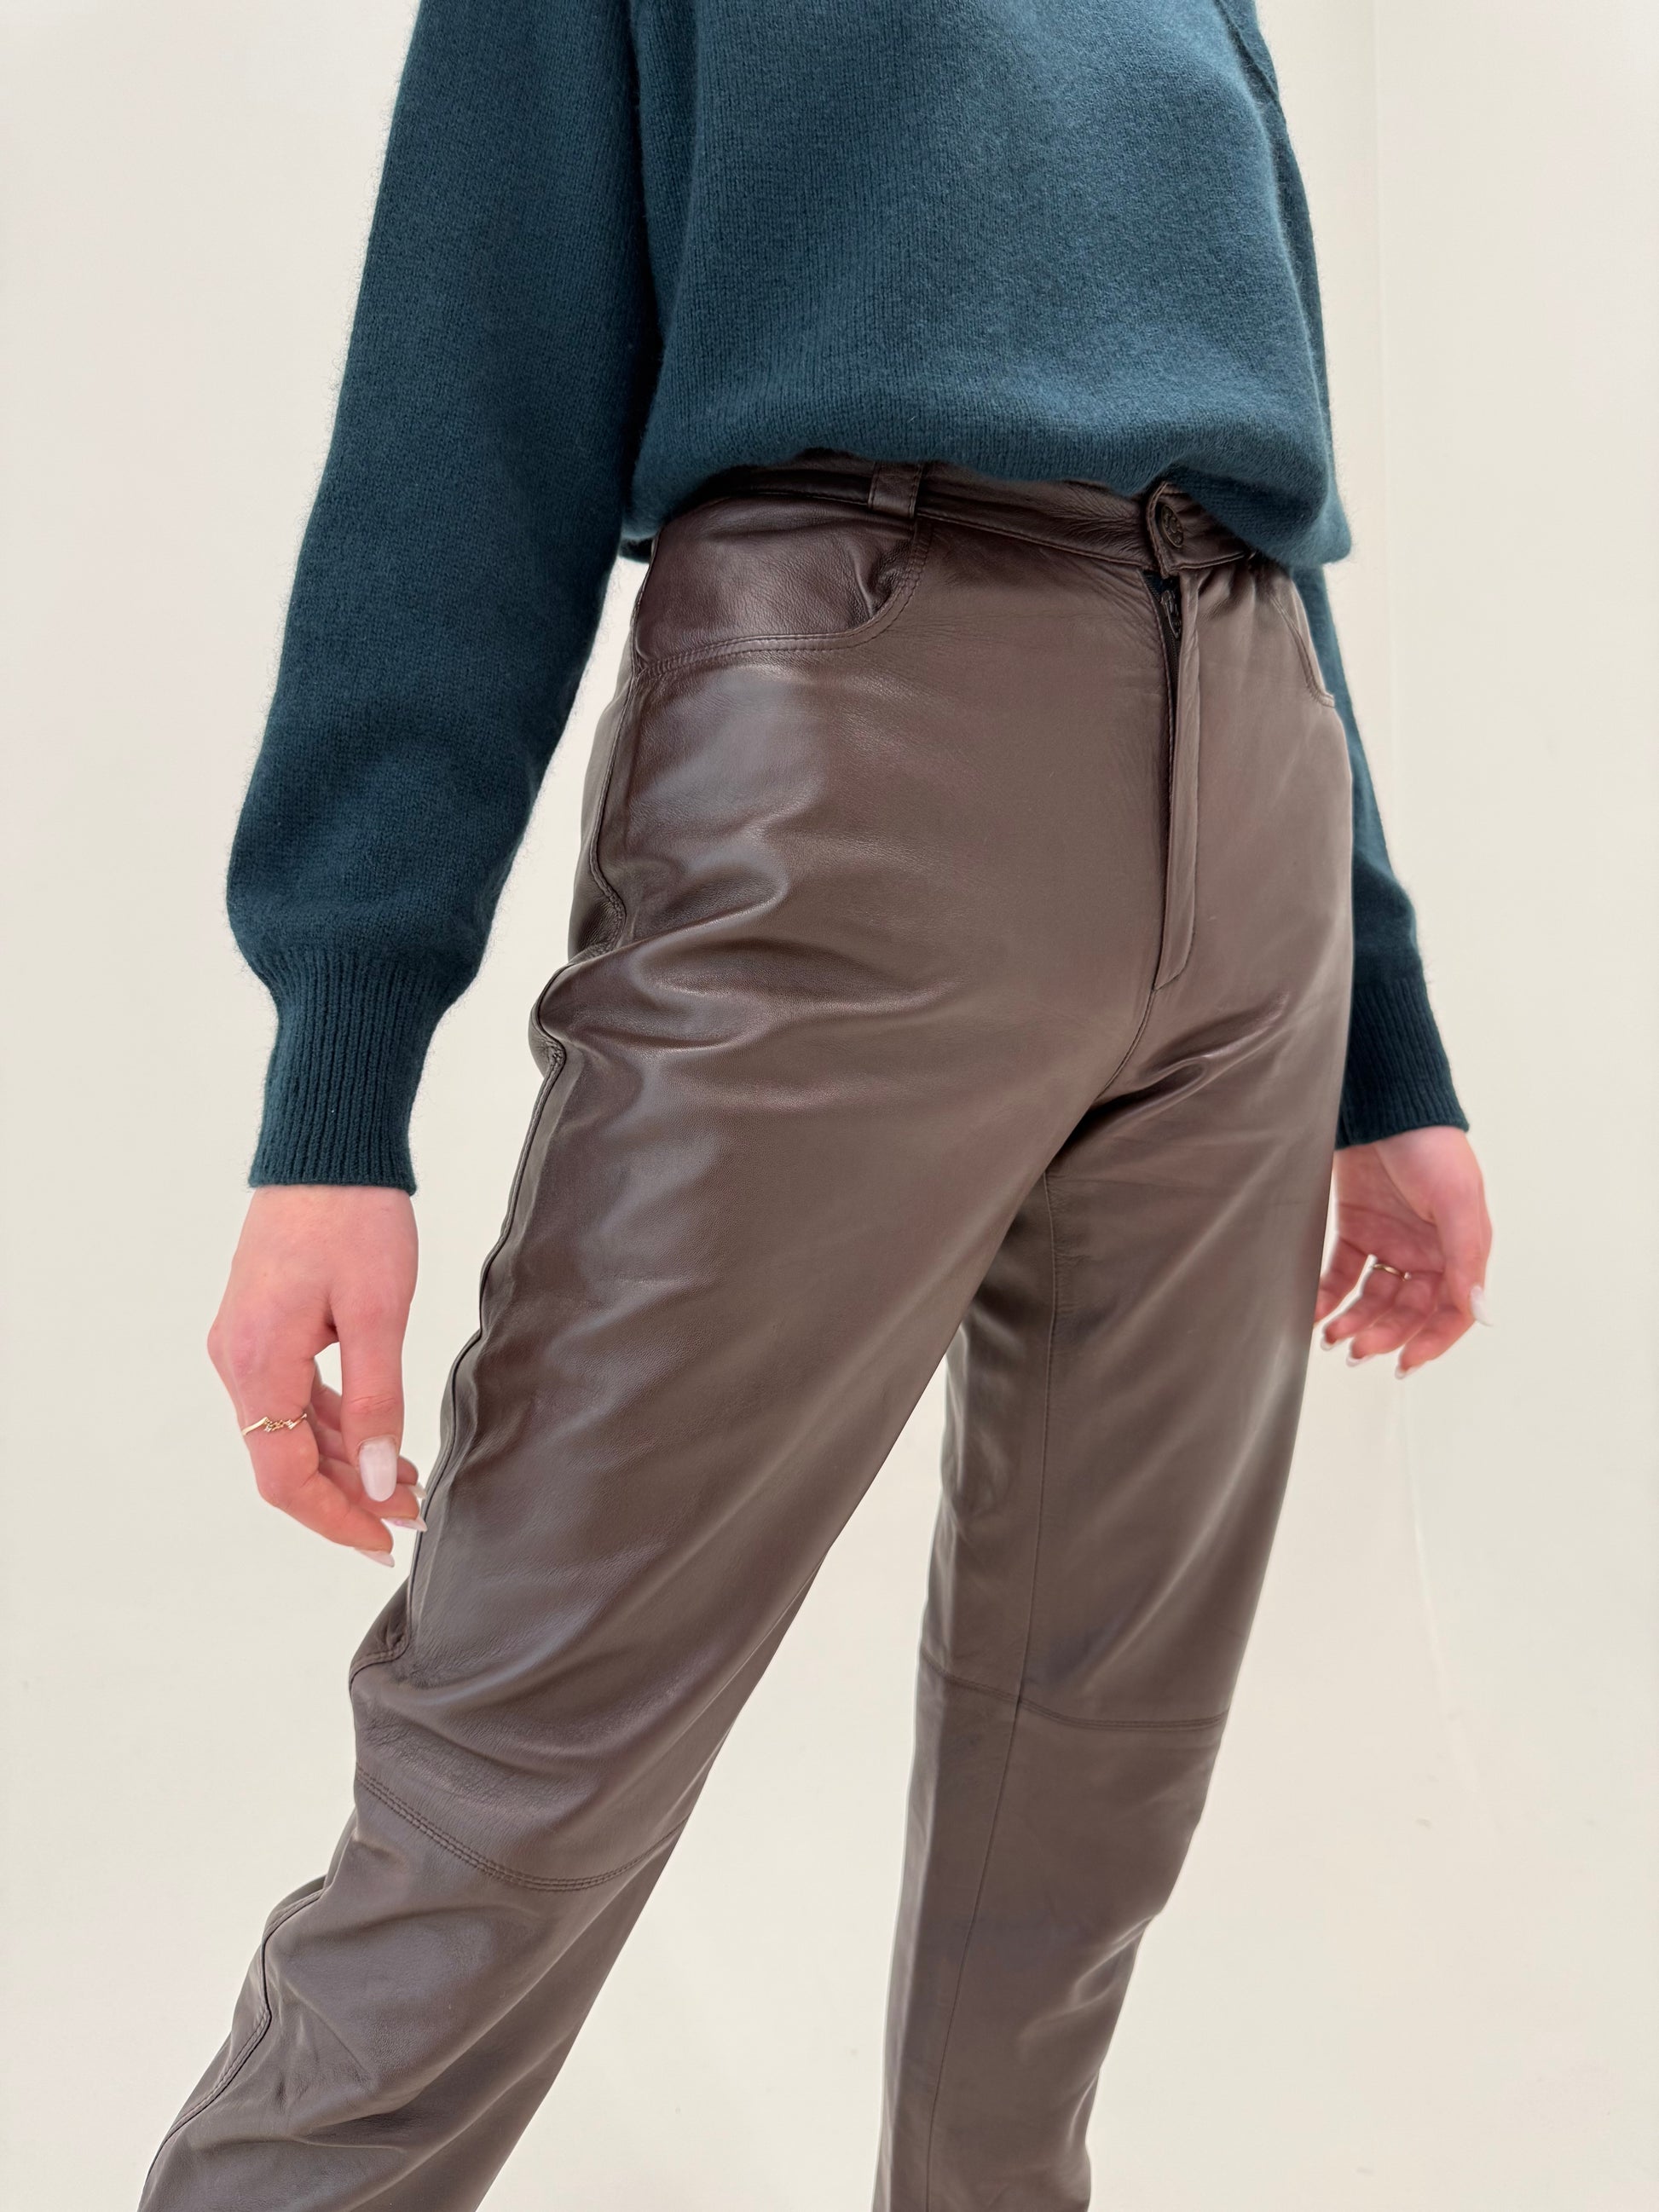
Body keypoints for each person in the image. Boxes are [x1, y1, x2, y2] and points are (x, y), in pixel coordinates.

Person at [139, 3, 1492, 2206]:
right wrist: (334, 1102)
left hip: (1248, 805)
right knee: (524, 1743)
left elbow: (1264, 497)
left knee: (1090, 1779)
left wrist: (1389, 1049)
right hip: (849, 749)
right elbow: (461, 429)